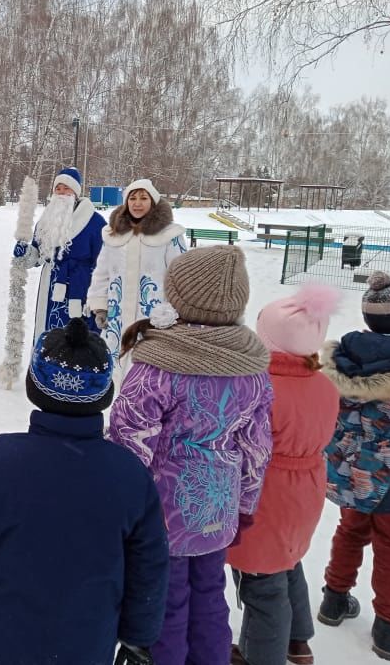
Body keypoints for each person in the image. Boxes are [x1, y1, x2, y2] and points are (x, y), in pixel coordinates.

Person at [0, 318, 169, 664]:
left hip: (3, 639)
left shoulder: (0, 460)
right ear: (104, 395)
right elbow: (148, 564)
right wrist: (139, 637)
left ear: (34, 387)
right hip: (87, 644)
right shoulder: (129, 474)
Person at [107, 245, 274, 665]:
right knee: (210, 596)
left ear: (179, 297)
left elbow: (128, 438)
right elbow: (256, 447)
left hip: (161, 515)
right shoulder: (251, 366)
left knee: (166, 600)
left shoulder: (158, 364)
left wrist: (122, 510)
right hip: (218, 507)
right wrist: (244, 506)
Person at [227, 284, 342, 665]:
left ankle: (262, 655)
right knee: (288, 561)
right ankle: (298, 640)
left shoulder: (258, 388)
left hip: (264, 495)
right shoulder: (325, 385)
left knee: (261, 583)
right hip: (306, 490)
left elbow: (240, 444)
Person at [316, 272, 390, 662]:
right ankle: (389, 627)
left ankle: (334, 600)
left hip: (349, 474)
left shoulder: (342, 361)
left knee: (349, 533)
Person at [88, 179, 186, 375]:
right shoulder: (112, 235)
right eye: (132, 198)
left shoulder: (169, 235)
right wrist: (100, 307)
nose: (137, 203)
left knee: (146, 372)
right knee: (115, 368)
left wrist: (174, 313)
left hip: (153, 319)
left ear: (153, 202)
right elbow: (102, 273)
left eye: (143, 198)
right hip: (117, 319)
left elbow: (181, 277)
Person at [13, 167, 107, 339]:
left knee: (76, 338)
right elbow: (37, 256)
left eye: (67, 188)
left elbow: (104, 264)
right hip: (50, 285)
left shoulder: (95, 222)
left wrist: (99, 300)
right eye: (58, 188)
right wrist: (25, 253)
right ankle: (43, 364)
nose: (62, 192)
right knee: (48, 333)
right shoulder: (46, 221)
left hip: (81, 288)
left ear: (76, 192)